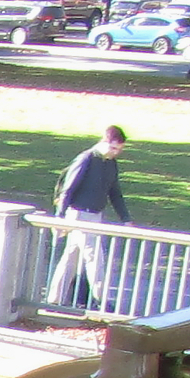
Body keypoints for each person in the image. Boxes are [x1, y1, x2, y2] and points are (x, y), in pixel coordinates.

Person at [44, 125, 132, 311]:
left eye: (119, 150)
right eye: (113, 148)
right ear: (104, 142)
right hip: (79, 214)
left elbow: (115, 192)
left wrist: (126, 218)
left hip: (95, 215)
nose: (115, 153)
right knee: (94, 257)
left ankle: (54, 299)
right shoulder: (86, 159)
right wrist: (59, 217)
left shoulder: (110, 163)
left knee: (71, 258)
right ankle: (102, 300)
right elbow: (68, 188)